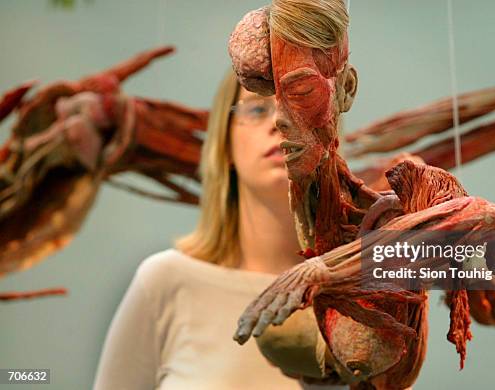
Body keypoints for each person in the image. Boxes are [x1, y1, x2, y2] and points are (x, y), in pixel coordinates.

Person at [92, 69, 341, 389]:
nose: (279, 122)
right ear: (225, 143)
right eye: (256, 108)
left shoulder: (359, 297)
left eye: (300, 104)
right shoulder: (164, 283)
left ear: (329, 138)